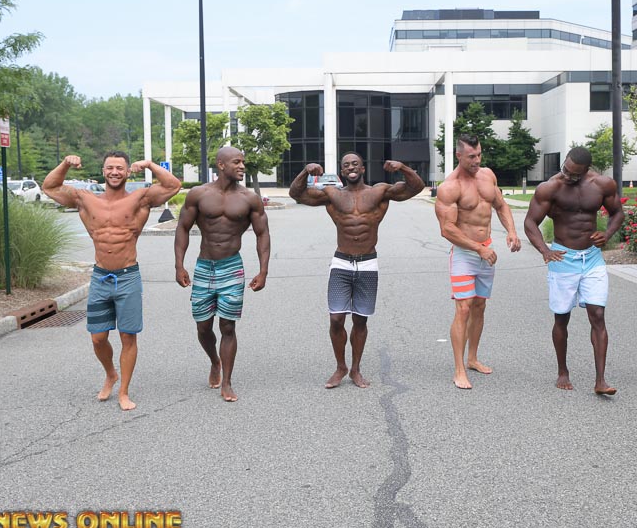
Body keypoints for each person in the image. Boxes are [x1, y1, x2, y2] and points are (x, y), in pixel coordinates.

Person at [42, 152, 181, 411]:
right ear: (103, 171)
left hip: (128, 277)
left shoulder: (141, 199)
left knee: (128, 336)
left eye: (119, 168)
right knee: (98, 338)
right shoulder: (85, 199)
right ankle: (110, 374)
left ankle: (124, 391)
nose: (114, 172)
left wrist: (149, 165)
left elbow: (173, 185)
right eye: (110, 168)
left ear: (127, 172)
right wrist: (65, 163)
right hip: (100, 277)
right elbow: (49, 187)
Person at [289, 153, 424, 389]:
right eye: (346, 165)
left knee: (360, 321)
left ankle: (355, 369)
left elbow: (416, 188)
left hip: (368, 263)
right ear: (342, 171)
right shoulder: (332, 194)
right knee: (336, 318)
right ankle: (340, 366)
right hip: (341, 262)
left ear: (362, 169)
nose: (350, 167)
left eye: (355, 164)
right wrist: (305, 171)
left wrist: (402, 167)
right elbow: (296, 194)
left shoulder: (380, 191)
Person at [523, 146, 624, 395]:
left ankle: (601, 380)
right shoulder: (550, 188)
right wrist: (545, 250)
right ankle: (562, 371)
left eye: (574, 174)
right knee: (561, 317)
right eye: (565, 170)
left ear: (586, 170)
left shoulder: (602, 184)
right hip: (563, 257)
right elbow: (530, 222)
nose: (567, 176)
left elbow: (617, 213)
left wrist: (607, 233)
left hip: (592, 258)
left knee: (597, 315)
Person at [174, 147, 270, 403]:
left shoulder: (250, 198)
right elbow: (183, 227)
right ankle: (214, 361)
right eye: (236, 162)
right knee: (203, 326)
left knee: (228, 325)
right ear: (221, 164)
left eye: (243, 162)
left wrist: (263, 270)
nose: (242, 166)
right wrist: (179, 265)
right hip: (204, 266)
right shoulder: (199, 194)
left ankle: (227, 381)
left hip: (232, 266)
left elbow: (262, 234)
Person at [434, 134, 521, 390]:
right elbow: (447, 229)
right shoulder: (449, 187)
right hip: (465, 254)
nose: (477, 160)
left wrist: (512, 231)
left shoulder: (487, 176)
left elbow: (501, 206)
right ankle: (459, 369)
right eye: (471, 156)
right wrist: (478, 249)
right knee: (463, 308)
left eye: (479, 154)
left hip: (486, 251)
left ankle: (472, 359)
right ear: (458, 155)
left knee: (480, 306)